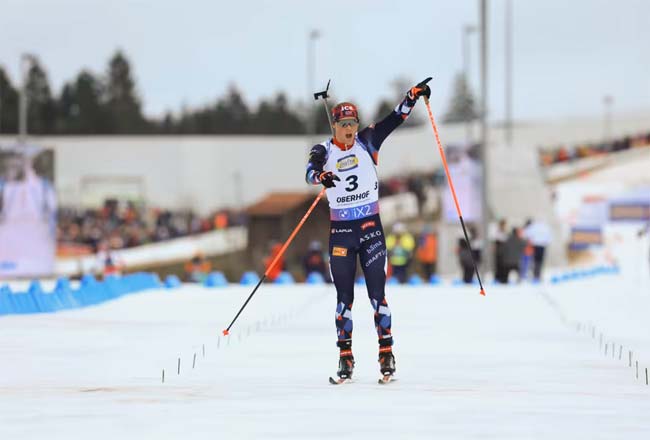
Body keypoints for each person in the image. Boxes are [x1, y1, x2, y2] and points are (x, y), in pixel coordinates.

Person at [305, 78, 431, 381]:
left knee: (378, 295)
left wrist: (412, 96)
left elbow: (395, 118)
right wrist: (321, 176)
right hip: (341, 233)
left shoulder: (367, 141)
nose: (349, 129)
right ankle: (345, 358)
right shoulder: (323, 149)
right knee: (343, 299)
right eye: (344, 124)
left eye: (353, 123)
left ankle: (386, 354)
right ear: (334, 126)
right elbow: (309, 172)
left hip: (371, 230)